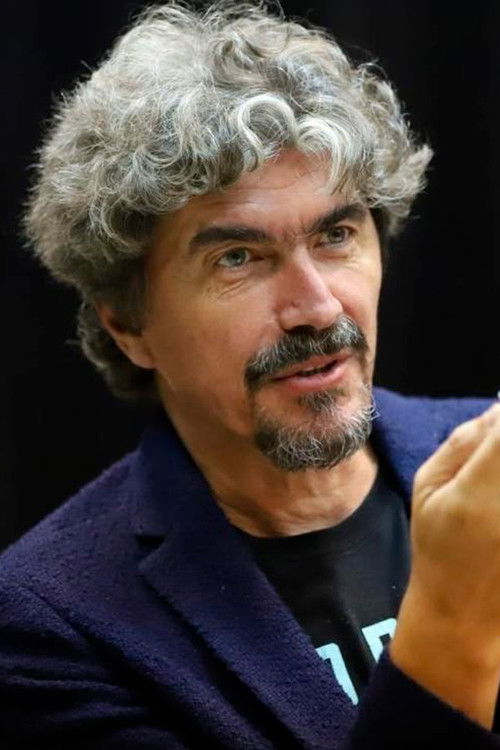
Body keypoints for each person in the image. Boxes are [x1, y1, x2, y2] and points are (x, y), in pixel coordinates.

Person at [1, 1, 499, 747]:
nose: (316, 305)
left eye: (337, 235)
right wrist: (450, 626)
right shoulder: (50, 625)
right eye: (238, 258)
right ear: (128, 325)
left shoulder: (486, 462)